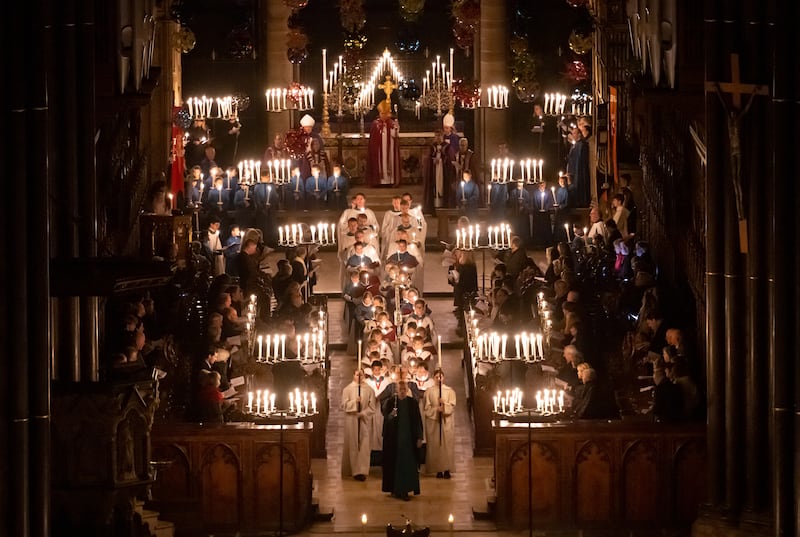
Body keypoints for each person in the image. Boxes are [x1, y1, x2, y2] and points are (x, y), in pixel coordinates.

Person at [381, 379, 424, 500]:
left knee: (407, 465)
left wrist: (420, 437)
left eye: (404, 389)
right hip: (394, 441)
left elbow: (417, 421)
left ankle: (405, 489)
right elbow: (386, 418)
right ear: (396, 391)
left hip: (408, 440)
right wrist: (391, 415)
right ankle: (395, 489)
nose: (402, 392)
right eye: (400, 390)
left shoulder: (412, 403)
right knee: (394, 464)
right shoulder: (391, 402)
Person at [341, 369, 376, 481]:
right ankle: (354, 469)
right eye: (357, 374)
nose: (359, 377)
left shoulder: (369, 390)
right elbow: (343, 405)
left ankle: (362, 470)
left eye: (361, 375)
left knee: (364, 445)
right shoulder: (347, 389)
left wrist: (363, 413)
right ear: (353, 375)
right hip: (352, 419)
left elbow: (372, 407)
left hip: (364, 420)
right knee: (353, 444)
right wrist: (354, 402)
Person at [424, 369, 456, 478]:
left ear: (444, 378)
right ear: (434, 378)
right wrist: (436, 409)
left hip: (446, 422)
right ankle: (438, 469)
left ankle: (447, 469)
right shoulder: (429, 391)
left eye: (441, 377)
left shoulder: (449, 391)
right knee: (436, 445)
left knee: (447, 446)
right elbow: (426, 408)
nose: (439, 379)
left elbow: (451, 406)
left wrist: (444, 406)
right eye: (437, 377)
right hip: (435, 422)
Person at [367, 99, 401, 187]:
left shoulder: (392, 123)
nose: (384, 115)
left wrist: (396, 128)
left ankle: (390, 181)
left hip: (390, 150)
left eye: (385, 113)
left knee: (389, 163)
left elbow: (395, 135)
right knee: (380, 164)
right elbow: (373, 139)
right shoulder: (375, 124)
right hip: (379, 150)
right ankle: (379, 182)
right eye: (382, 113)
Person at [565, 121, 590, 207]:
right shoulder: (574, 145)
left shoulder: (582, 145)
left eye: (575, 133)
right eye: (572, 133)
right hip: (572, 172)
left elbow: (579, 162)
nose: (573, 135)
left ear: (579, 134)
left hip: (577, 173)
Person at [424, 129, 450, 212]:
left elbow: (449, 157)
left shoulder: (447, 146)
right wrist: (433, 160)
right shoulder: (432, 146)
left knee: (442, 185)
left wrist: (442, 160)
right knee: (435, 186)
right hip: (434, 171)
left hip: (443, 170)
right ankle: (434, 207)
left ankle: (444, 206)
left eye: (440, 136)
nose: (438, 138)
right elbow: (429, 158)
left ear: (443, 136)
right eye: (436, 136)